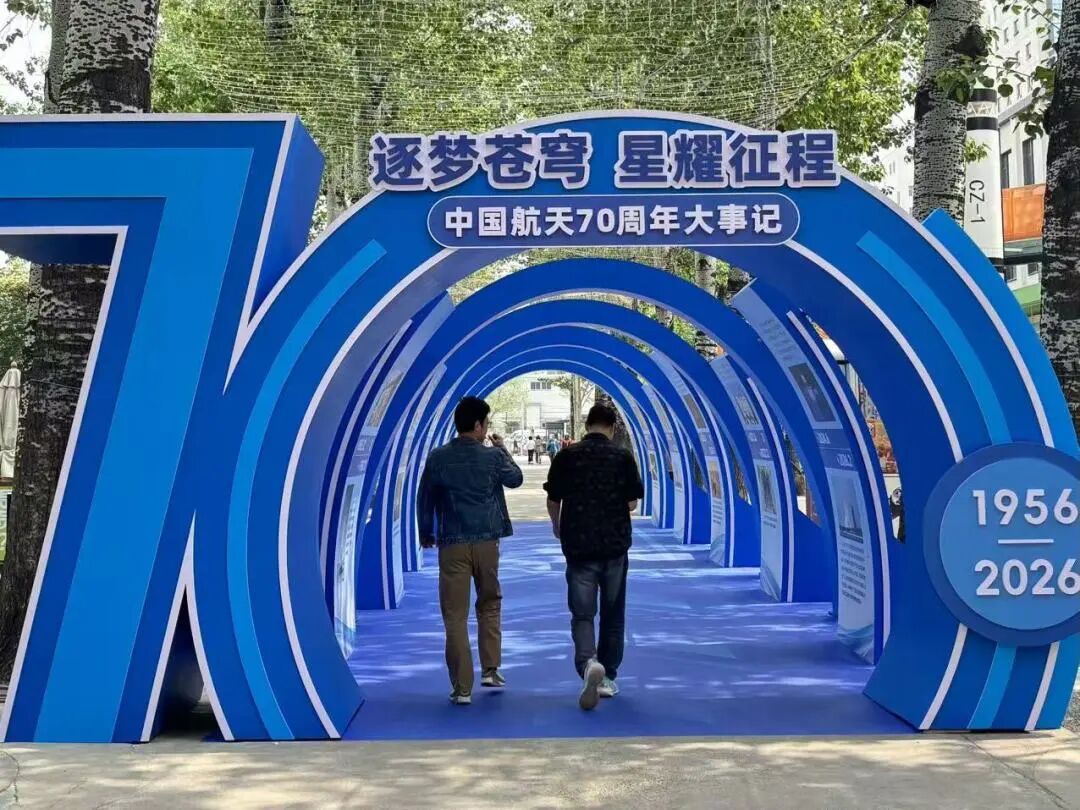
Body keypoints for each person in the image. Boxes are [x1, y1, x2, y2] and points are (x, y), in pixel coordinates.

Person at [418, 396, 524, 705]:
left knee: (455, 615)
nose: (487, 429)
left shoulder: (438, 457)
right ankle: (491, 670)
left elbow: (425, 498)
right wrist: (503, 449)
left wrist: (426, 532)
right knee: (489, 602)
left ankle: (462, 687)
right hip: (488, 542)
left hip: (453, 543)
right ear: (478, 425)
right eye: (486, 423)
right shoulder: (492, 457)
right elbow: (515, 479)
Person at [543, 404, 644, 710]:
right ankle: (608, 676)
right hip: (614, 547)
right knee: (613, 614)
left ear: (587, 425)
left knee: (583, 614)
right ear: (612, 428)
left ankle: (588, 663)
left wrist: (558, 526)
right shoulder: (622, 457)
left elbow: (553, 499)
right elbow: (632, 503)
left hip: (579, 546)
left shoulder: (567, 456)